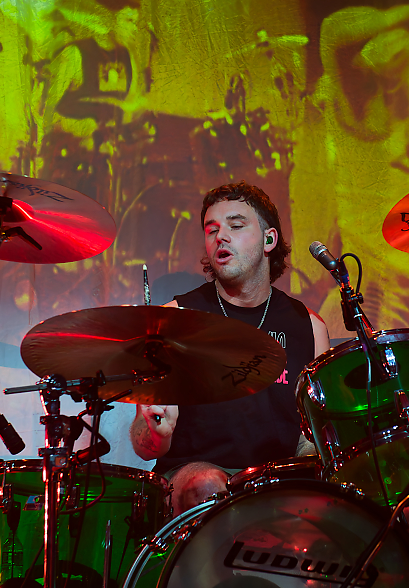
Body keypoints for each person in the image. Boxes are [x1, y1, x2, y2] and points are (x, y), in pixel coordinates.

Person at [130, 182, 330, 515]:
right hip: (192, 475)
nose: (221, 236)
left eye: (235, 226)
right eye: (212, 230)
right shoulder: (175, 318)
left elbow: (310, 440)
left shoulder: (310, 328)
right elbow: (143, 444)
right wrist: (154, 430)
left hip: (274, 482)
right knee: (208, 484)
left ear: (269, 240)